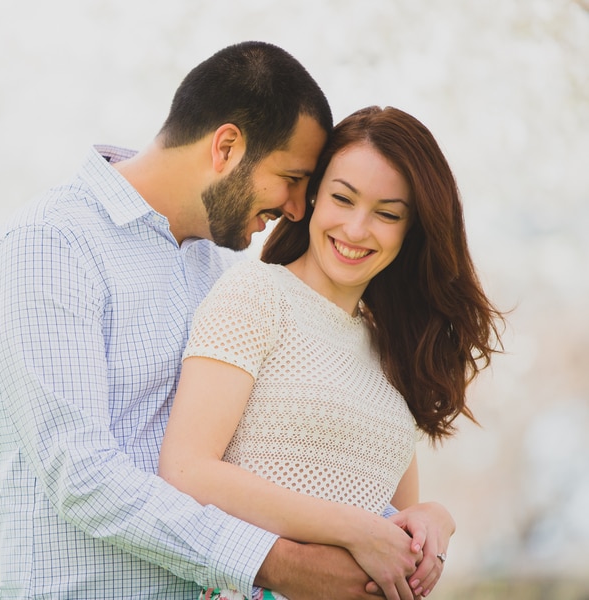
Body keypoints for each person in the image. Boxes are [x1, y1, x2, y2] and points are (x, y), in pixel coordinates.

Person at [0, 41, 450, 599]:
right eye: (292, 179)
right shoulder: (53, 242)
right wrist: (276, 563)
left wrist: (423, 520)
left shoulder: (220, 265)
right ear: (226, 147)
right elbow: (81, 476)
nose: (298, 209)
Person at [158, 106, 506, 600]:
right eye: (343, 199)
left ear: (412, 231)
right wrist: (353, 529)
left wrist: (432, 519)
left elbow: (390, 517)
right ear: (315, 195)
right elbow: (186, 470)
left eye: (387, 214)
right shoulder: (257, 294)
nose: (357, 229)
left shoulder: (393, 344)